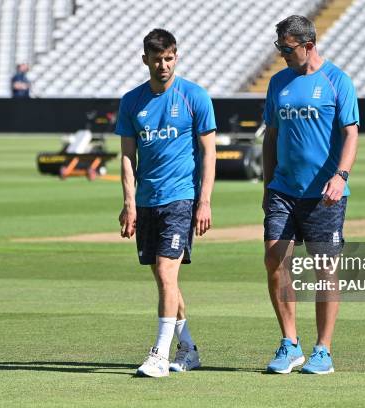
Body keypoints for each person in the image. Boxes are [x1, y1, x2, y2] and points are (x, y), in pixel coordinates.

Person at [116, 28, 216, 378]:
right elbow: (128, 157)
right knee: (165, 281)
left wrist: (204, 201)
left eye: (170, 57)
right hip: (146, 201)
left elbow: (209, 153)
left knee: (165, 270)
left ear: (177, 56)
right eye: (157, 59)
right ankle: (188, 349)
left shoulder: (194, 96)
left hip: (180, 198)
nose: (164, 65)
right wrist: (129, 203)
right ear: (145, 59)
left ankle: (159, 354)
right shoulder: (131, 101)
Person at [262, 15, 360, 375]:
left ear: (308, 45)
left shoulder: (337, 81)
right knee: (275, 260)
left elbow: (351, 133)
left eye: (286, 49)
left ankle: (323, 350)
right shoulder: (278, 83)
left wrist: (340, 176)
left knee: (325, 269)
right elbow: (271, 136)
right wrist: (268, 183)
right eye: (279, 48)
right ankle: (290, 344)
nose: (281, 55)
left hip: (324, 195)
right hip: (283, 191)